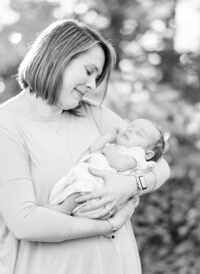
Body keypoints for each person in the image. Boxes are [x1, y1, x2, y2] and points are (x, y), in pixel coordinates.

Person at [0, 19, 170, 274]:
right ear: (58, 56)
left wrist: (130, 185)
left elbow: (161, 164)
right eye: (89, 71)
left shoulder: (93, 114)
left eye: (98, 77)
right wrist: (109, 225)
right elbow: (25, 222)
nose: (92, 85)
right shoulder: (7, 125)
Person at [49, 118, 168, 217]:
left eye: (139, 133)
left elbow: (121, 164)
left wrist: (109, 151)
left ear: (148, 154)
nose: (131, 130)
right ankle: (60, 203)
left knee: (82, 189)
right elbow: (94, 149)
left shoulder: (137, 153)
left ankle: (64, 209)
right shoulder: (115, 146)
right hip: (92, 179)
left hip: (99, 187)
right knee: (76, 186)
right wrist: (109, 137)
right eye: (130, 127)